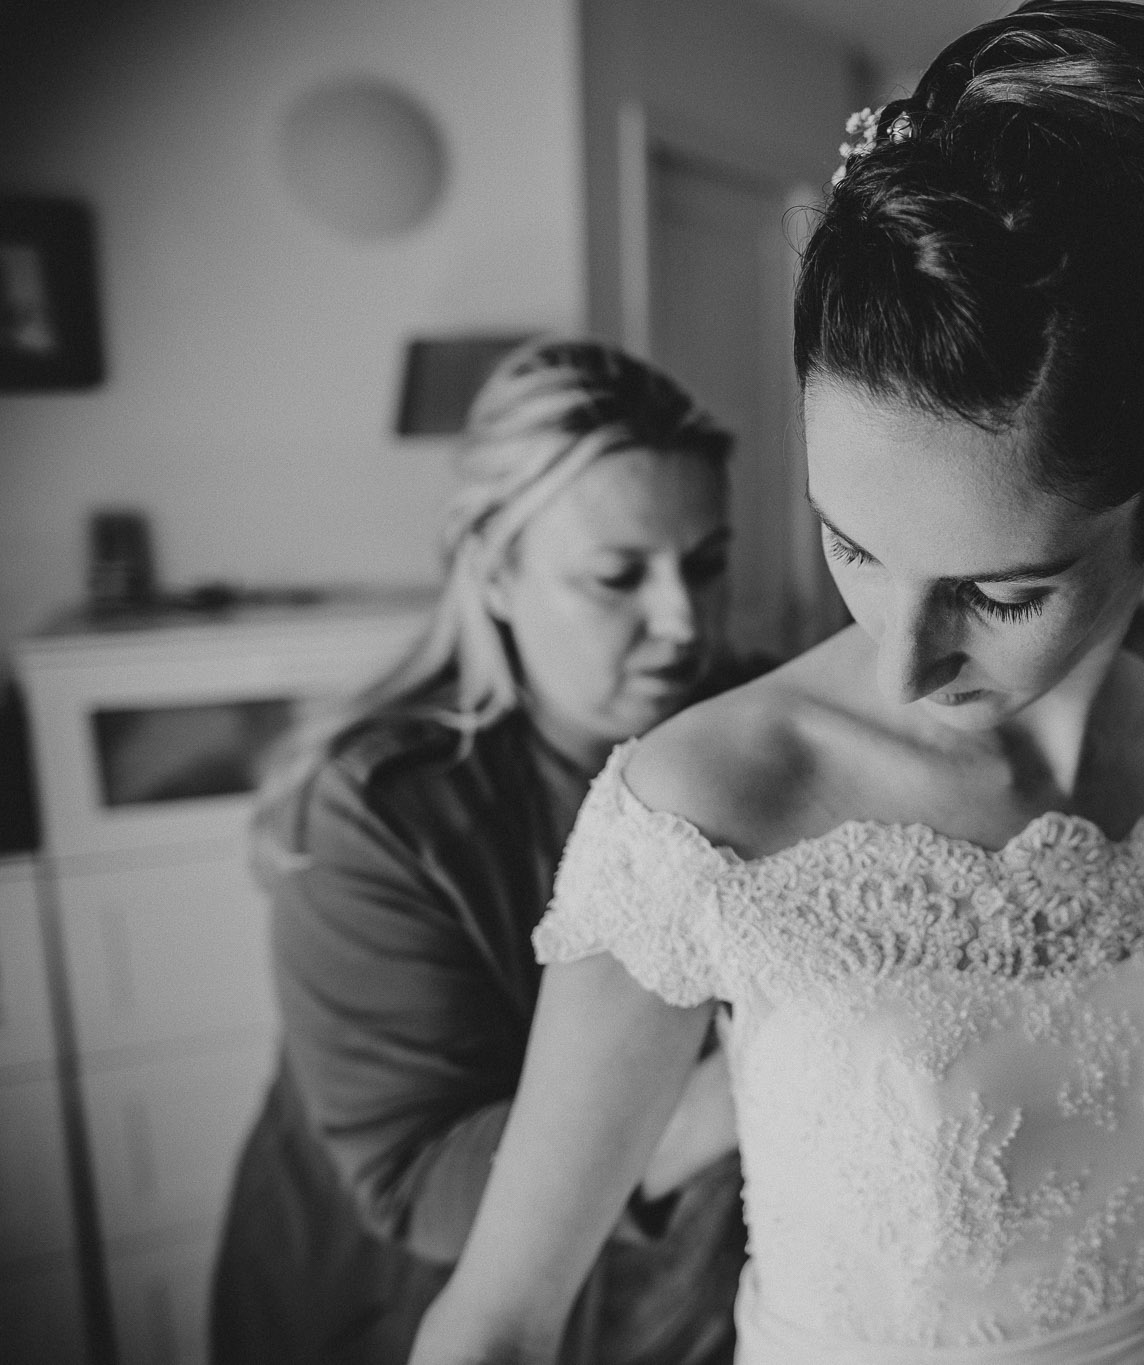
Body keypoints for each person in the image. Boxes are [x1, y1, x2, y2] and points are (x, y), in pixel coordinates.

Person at [407, 6, 1144, 1364]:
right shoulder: (698, 812)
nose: (902, 653)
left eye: (1000, 589)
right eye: (849, 542)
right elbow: (500, 1321)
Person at [211, 339, 763, 1365]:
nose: (682, 620)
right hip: (405, 1301)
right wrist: (757, 1077)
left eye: (706, 562)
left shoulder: (756, 727)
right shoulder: (373, 815)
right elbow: (416, 1177)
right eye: (615, 576)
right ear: (495, 573)